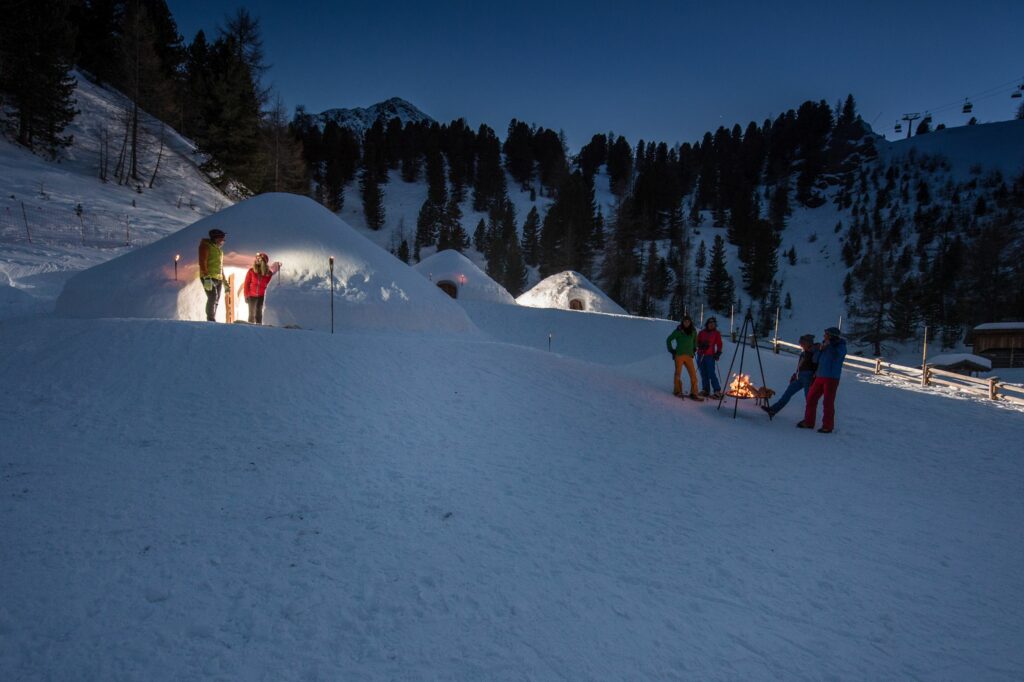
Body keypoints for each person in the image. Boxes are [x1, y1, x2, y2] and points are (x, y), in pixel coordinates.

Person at [798, 326, 847, 433]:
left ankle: (827, 426)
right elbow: (815, 360)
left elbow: (836, 356)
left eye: (826, 334)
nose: (824, 336)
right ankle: (809, 422)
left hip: (831, 378)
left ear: (831, 336)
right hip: (820, 376)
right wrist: (820, 350)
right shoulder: (824, 345)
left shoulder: (840, 346)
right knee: (811, 398)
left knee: (828, 402)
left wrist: (830, 346)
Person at [763, 334, 819, 417]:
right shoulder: (804, 353)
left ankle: (809, 419)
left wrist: (814, 377)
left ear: (807, 343)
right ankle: (773, 410)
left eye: (802, 343)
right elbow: (800, 365)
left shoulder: (814, 352)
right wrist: (795, 374)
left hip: (808, 377)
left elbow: (817, 365)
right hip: (800, 377)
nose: (801, 345)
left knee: (809, 398)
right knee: (788, 393)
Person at [237, 253, 282, 325]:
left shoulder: (267, 273)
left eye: (261, 260)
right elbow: (246, 283)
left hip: (261, 296)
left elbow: (271, 280)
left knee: (258, 313)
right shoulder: (251, 271)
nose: (259, 261)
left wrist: (277, 266)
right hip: (251, 296)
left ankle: (259, 327)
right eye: (258, 259)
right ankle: (250, 327)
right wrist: (246, 295)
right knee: (251, 313)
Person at [666, 315, 702, 400]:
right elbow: (669, 339)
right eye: (685, 321)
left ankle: (694, 393)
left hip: (689, 356)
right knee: (678, 373)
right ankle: (677, 391)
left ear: (690, 322)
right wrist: (671, 350)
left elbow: (695, 341)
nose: (686, 323)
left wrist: (694, 348)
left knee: (693, 374)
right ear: (683, 322)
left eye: (688, 322)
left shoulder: (693, 331)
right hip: (679, 355)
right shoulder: (678, 330)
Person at [198, 228, 226, 321]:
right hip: (209, 277)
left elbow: (220, 266)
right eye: (222, 239)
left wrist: (225, 281)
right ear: (216, 238)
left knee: (217, 299)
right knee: (212, 297)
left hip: (218, 278)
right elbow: (202, 261)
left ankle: (213, 317)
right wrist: (206, 277)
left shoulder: (218, 250)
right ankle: (210, 319)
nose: (223, 241)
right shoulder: (205, 246)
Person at [696, 316, 724, 398]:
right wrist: (701, 345)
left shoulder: (716, 333)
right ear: (707, 324)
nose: (712, 325)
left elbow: (719, 344)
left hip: (710, 356)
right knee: (703, 373)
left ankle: (717, 390)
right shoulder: (701, 332)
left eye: (713, 323)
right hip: (700, 355)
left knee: (711, 373)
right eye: (710, 323)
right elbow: (696, 342)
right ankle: (705, 390)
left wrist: (718, 352)